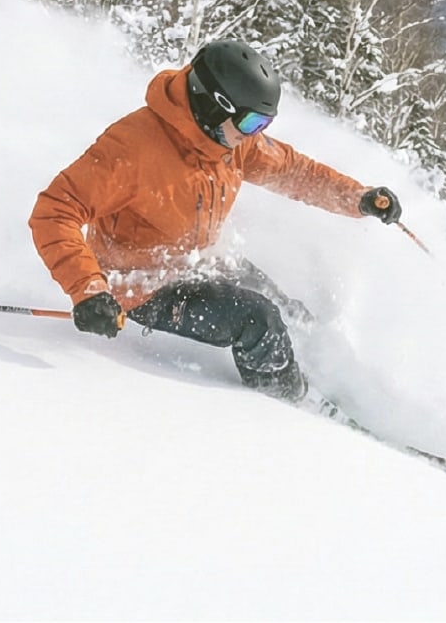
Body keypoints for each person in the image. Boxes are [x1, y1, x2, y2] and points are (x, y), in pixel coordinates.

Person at [29, 40, 403, 402]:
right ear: (213, 106)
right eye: (252, 121)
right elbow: (55, 210)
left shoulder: (232, 142)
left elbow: (293, 171)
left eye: (263, 124)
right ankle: (294, 406)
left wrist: (358, 198)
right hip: (143, 285)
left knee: (285, 306)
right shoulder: (131, 149)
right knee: (260, 320)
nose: (255, 134)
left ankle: (320, 374)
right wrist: (89, 289)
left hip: (198, 261)